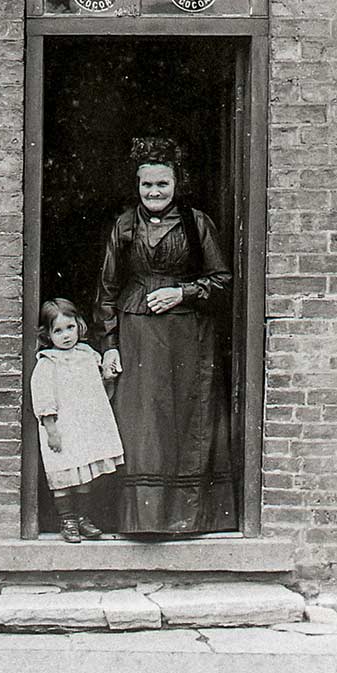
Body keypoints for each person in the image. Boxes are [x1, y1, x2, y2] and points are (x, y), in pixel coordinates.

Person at [94, 137, 237, 535]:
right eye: (147, 185)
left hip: (188, 337)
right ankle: (141, 520)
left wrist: (183, 292)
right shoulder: (124, 226)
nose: (154, 192)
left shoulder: (196, 223)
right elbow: (106, 290)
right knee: (142, 423)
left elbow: (223, 281)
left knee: (186, 418)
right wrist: (109, 346)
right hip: (137, 336)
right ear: (137, 185)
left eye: (162, 184)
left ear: (177, 184)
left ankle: (188, 519)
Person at [30, 297, 124, 543]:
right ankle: (67, 519)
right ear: (48, 334)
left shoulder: (87, 354)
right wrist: (51, 429)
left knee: (84, 471)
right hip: (63, 427)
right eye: (58, 331)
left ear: (79, 325)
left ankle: (83, 517)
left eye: (70, 328)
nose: (66, 335)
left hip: (85, 424)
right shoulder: (48, 362)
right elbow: (43, 396)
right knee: (63, 474)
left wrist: (107, 376)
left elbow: (98, 386)